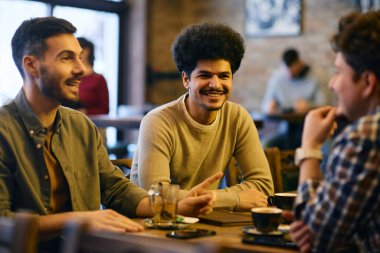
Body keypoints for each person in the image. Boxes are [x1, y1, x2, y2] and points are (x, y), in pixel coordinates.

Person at [0, 16, 220, 251]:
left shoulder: (81, 126)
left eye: (80, 58)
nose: (81, 69)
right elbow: (3, 220)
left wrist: (174, 205)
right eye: (66, 58)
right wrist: (79, 221)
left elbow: (117, 190)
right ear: (31, 65)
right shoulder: (4, 130)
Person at [130, 22, 274, 211]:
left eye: (224, 76)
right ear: (186, 79)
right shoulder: (158, 121)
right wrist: (231, 199)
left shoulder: (237, 117)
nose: (215, 84)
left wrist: (211, 198)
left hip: (205, 222)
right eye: (205, 75)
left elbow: (263, 186)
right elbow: (158, 194)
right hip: (156, 225)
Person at [290, 11, 380, 252]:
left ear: (368, 82)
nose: (332, 83)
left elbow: (316, 236)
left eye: (339, 71)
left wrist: (309, 148)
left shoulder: (366, 136)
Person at [261, 48, 327, 149]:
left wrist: (309, 107)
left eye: (292, 70)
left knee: (325, 149)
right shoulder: (277, 78)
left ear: (299, 63)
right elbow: (265, 106)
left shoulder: (317, 77)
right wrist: (269, 107)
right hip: (284, 130)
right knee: (264, 145)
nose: (289, 74)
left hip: (311, 131)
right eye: (286, 70)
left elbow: (326, 106)